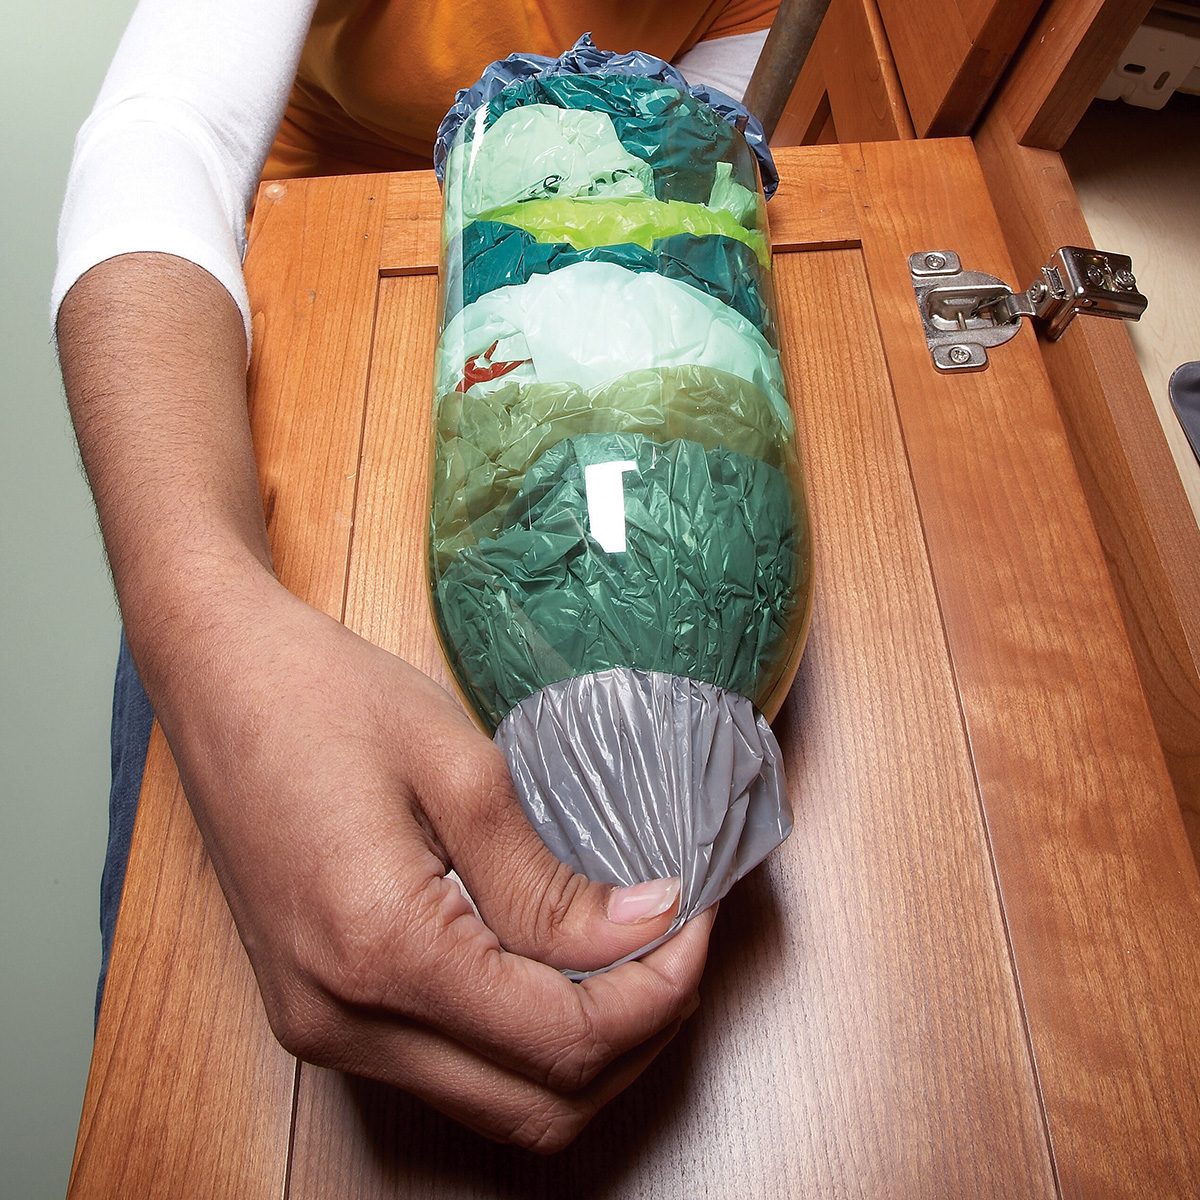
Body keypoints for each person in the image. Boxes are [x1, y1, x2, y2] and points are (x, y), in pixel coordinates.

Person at [52, 0, 775, 1153]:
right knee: (193, 1070)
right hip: (301, 310)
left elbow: (681, 169)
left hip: (542, 319)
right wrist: (201, 612)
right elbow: (163, 129)